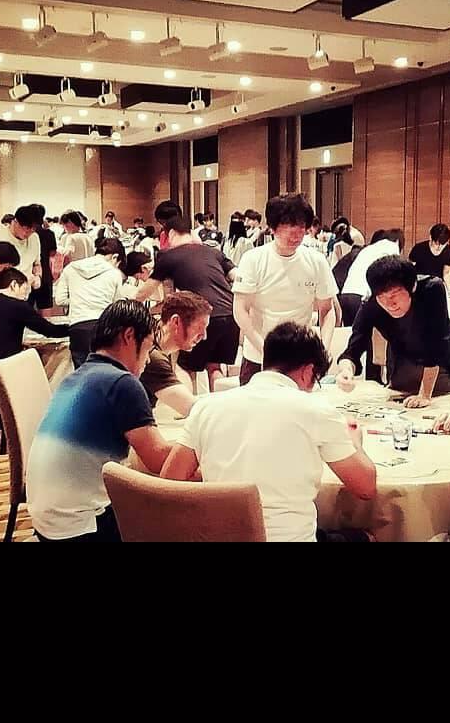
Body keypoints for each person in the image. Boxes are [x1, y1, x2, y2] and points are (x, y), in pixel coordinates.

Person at [161, 322, 377, 541]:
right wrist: (355, 442)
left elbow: (168, 483)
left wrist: (215, 473)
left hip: (219, 537)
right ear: (308, 372)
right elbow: (366, 488)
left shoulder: (206, 407)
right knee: (365, 537)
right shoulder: (317, 410)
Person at [25, 300, 175, 542]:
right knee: (170, 521)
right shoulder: (122, 382)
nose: (148, 360)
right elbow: (158, 460)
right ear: (129, 336)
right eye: (148, 349)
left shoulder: (75, 377)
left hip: (47, 522)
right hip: (79, 528)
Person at [233, 194, 338, 384]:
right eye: (289, 228)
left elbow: (327, 309)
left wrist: (323, 348)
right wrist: (265, 349)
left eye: (301, 228)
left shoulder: (316, 261)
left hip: (300, 358)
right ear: (272, 228)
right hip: (258, 356)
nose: (296, 235)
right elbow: (240, 310)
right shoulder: (253, 259)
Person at [338, 255, 450, 406]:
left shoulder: (431, 289)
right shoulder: (372, 303)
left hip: (440, 366)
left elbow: (437, 342)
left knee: (441, 405)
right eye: (382, 297)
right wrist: (346, 371)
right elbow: (353, 348)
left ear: (413, 287)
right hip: (403, 364)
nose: (389, 304)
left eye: (394, 295)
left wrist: (424, 395)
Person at [136, 214, 240, 392]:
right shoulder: (213, 252)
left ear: (171, 233)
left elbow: (144, 291)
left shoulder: (168, 256)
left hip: (200, 316)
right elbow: (237, 276)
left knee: (185, 367)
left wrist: (128, 306)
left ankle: (189, 408)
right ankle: (217, 407)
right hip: (231, 314)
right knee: (214, 367)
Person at [54, 237, 130, 368]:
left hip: (77, 328)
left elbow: (60, 300)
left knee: (82, 372)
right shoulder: (114, 273)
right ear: (115, 257)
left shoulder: (71, 268)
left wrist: (78, 299)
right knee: (104, 371)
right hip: (103, 327)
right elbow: (116, 306)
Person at [138, 291, 212, 417]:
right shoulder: (152, 357)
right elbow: (193, 409)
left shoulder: (153, 338)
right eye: (199, 328)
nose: (204, 336)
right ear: (176, 322)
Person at [339, 229, 404, 327]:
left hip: (346, 294)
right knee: (366, 331)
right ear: (398, 241)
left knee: (351, 332)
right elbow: (395, 271)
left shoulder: (369, 248)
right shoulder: (392, 246)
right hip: (362, 296)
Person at [0, 204, 43, 292]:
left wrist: (38, 276)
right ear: (15, 222)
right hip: (4, 292)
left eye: (33, 230)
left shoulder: (34, 238)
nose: (28, 233)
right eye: (26, 228)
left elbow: (37, 263)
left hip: (24, 292)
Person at [30, 205, 56, 311]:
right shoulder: (49, 234)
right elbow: (53, 253)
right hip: (45, 274)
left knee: (26, 311)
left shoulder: (26, 235)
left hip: (28, 275)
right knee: (45, 310)